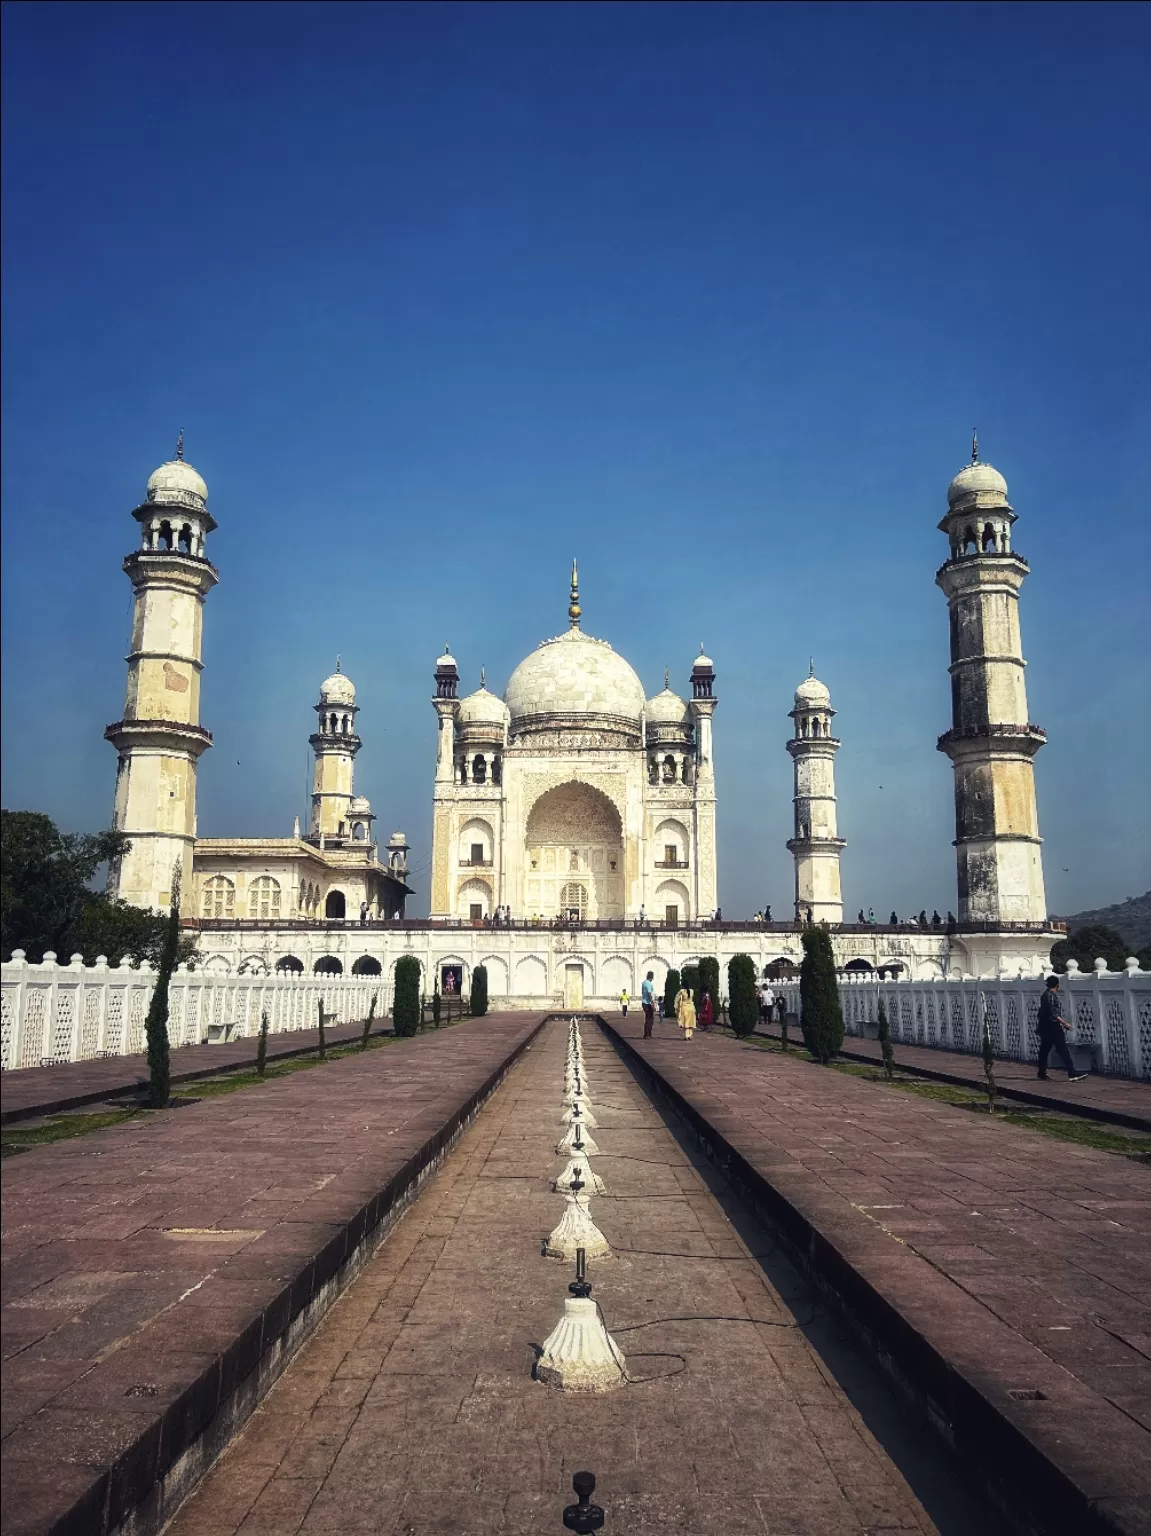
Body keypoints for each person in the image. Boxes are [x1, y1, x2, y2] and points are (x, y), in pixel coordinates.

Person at [1037, 975, 1087, 1081]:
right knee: (1062, 1049)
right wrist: (1064, 1023)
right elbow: (1053, 1013)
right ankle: (1072, 1072)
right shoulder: (1050, 995)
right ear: (1057, 985)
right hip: (1052, 1026)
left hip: (1046, 1026)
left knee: (1044, 1050)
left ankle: (1041, 1072)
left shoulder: (1046, 994)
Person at [640, 971, 656, 1038]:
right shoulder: (649, 983)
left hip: (644, 1002)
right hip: (648, 1003)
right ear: (652, 977)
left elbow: (643, 992)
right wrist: (652, 1002)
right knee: (650, 1019)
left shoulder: (644, 982)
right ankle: (647, 1034)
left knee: (648, 1018)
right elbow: (649, 993)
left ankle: (647, 1033)